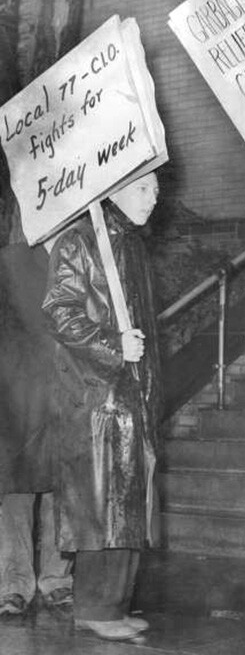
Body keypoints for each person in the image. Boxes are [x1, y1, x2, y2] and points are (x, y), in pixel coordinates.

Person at [42, 171, 162, 641]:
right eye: (144, 188)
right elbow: (60, 311)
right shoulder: (79, 241)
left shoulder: (130, 244)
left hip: (131, 396)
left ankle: (115, 605)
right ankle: (96, 607)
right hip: (96, 395)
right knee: (102, 507)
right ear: (115, 188)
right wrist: (114, 344)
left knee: (127, 506)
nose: (154, 198)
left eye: (156, 188)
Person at [0, 227, 73, 616]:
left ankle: (57, 579)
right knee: (15, 493)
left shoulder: (79, 258)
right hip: (15, 394)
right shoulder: (9, 261)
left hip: (64, 394)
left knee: (60, 492)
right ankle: (13, 585)